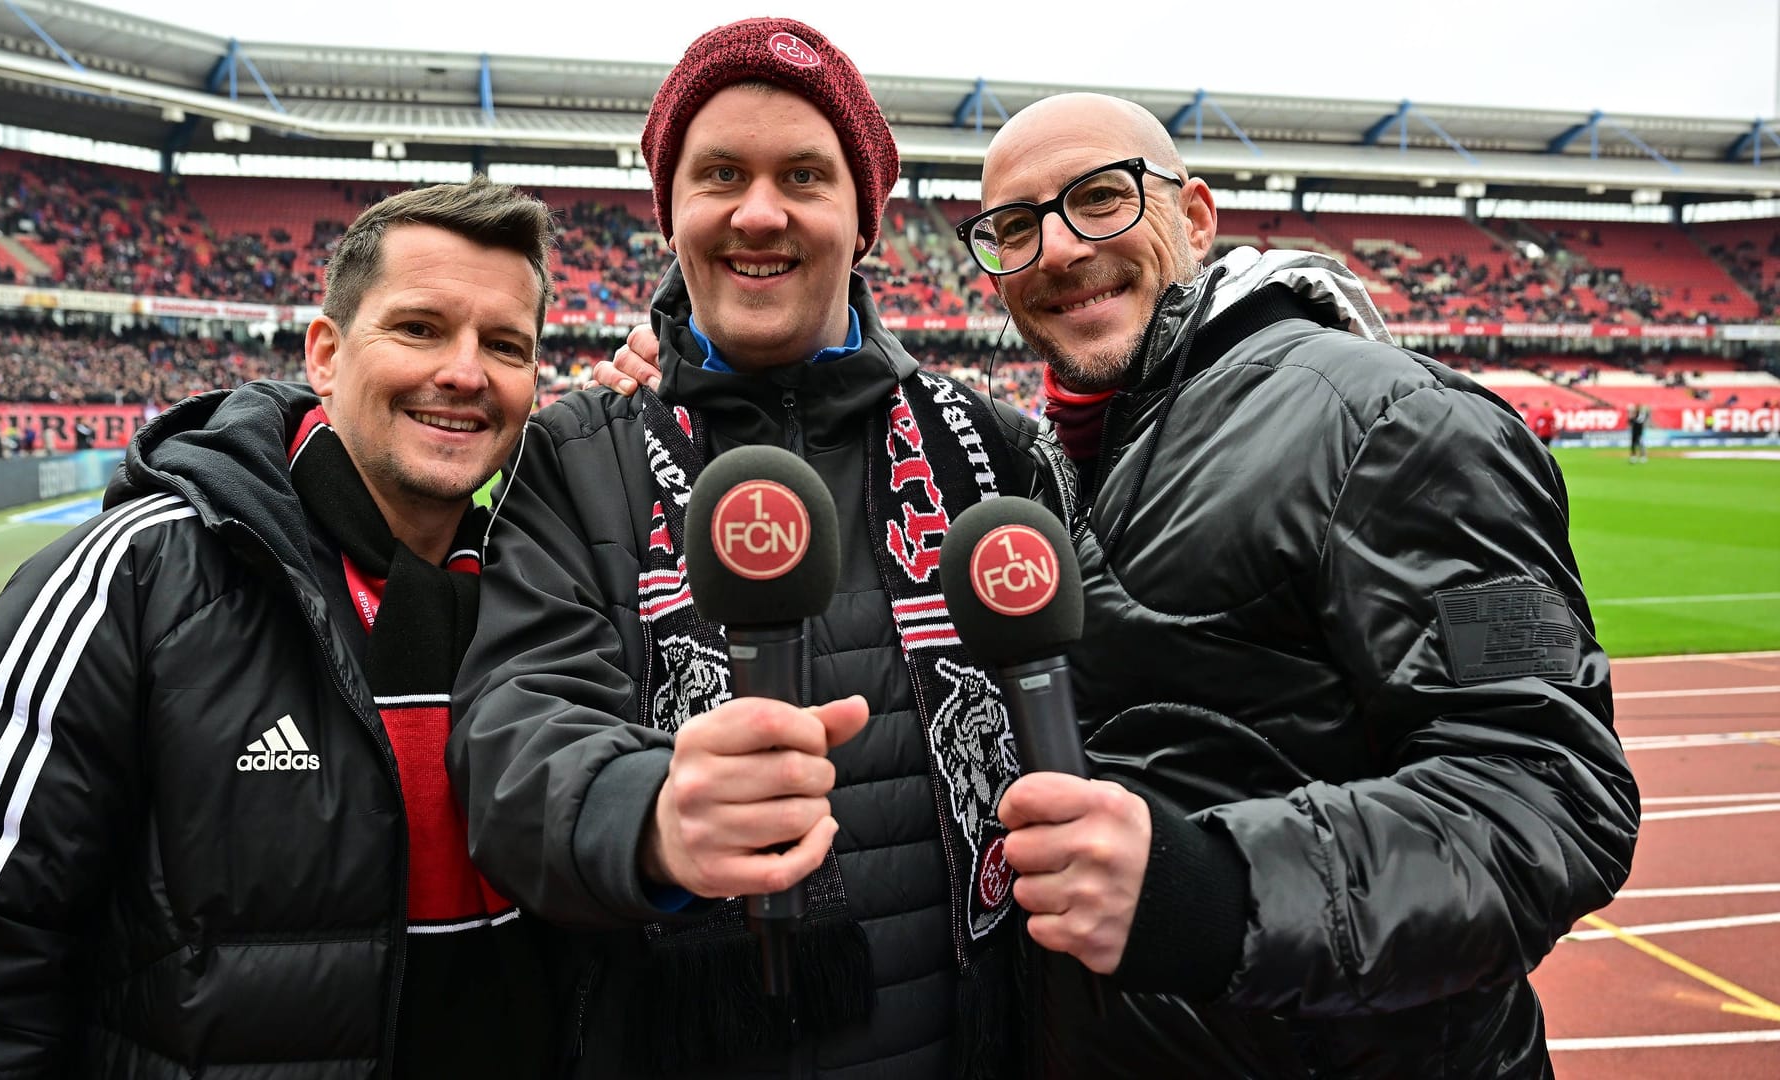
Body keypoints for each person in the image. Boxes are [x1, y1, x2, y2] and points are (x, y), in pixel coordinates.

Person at [599, 91, 1637, 1079]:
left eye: (1101, 198)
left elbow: (1549, 794)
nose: (1058, 248)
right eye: (1014, 226)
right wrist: (694, 379)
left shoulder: (1388, 421)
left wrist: (1217, 892)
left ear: (1194, 215)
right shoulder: (1040, 460)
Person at [451, 19, 1062, 1079]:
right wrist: (646, 812)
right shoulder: (576, 453)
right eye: (720, 173)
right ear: (671, 213)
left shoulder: (993, 448)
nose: (760, 212)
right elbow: (513, 739)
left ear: (864, 220)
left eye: (805, 176)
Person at [0, 177, 559, 1077]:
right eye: (420, 328)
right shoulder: (136, 577)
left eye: (504, 344)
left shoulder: (546, 590)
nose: (465, 372)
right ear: (326, 354)